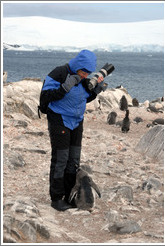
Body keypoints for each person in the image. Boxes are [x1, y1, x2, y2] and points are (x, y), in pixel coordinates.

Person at [41, 49, 104, 211]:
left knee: (74, 160)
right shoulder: (59, 73)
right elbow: (45, 98)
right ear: (77, 65)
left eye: (88, 73)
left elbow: (83, 97)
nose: (85, 75)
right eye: (83, 72)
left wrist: (95, 92)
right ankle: (56, 198)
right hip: (59, 120)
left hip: (77, 122)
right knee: (60, 159)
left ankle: (70, 195)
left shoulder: (83, 78)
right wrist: (64, 88)